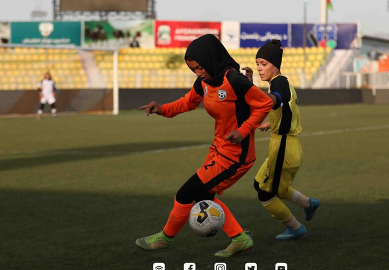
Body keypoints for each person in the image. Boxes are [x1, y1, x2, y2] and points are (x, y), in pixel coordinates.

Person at [136, 34, 273, 257]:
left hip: (236, 157)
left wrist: (243, 130)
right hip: (218, 151)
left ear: (211, 59)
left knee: (185, 193)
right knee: (203, 196)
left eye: (199, 67)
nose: (198, 73)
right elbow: (188, 102)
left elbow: (264, 103)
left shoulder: (235, 81)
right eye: (193, 70)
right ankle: (240, 239)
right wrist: (162, 109)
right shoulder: (204, 82)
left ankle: (164, 238)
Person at [243, 39, 320, 240]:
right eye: (258, 63)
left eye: (264, 64)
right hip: (284, 144)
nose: (260, 68)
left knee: (266, 193)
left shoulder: (279, 83)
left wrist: (258, 96)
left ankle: (295, 228)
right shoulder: (281, 82)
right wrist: (270, 123)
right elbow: (286, 110)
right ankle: (308, 203)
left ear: (275, 65)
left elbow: (277, 98)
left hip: (284, 148)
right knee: (262, 184)